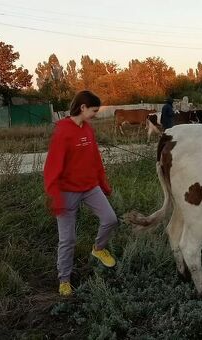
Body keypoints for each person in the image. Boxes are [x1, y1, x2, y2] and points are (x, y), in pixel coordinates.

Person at [44, 90, 118, 297]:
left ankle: (98, 248)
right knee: (67, 239)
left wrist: (103, 184)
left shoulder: (87, 129)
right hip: (67, 191)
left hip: (89, 187)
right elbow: (52, 167)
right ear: (83, 108)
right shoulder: (63, 132)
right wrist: (55, 196)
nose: (95, 114)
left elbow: (95, 159)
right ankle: (64, 280)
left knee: (110, 219)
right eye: (94, 110)